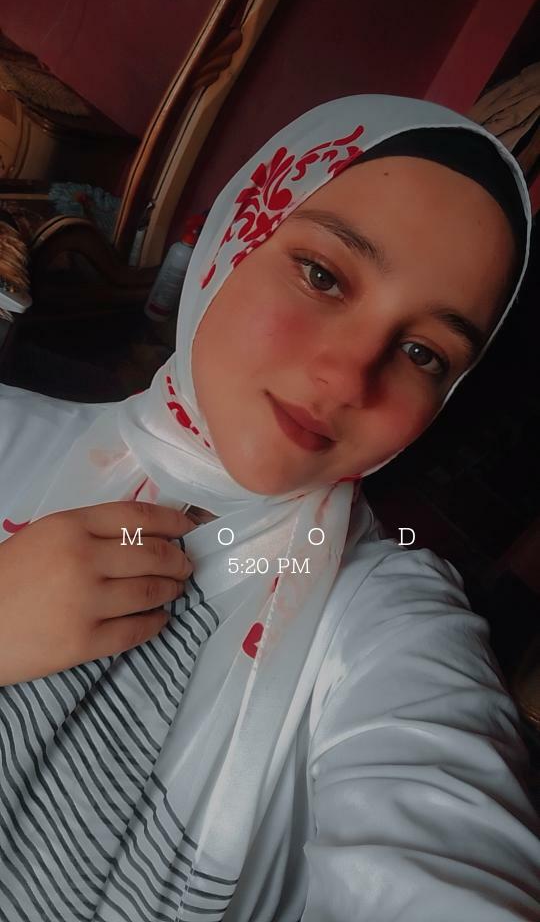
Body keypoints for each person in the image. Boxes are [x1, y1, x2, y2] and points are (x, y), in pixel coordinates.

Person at [0, 94, 539, 921]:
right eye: (323, 275)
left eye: (423, 352)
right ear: (234, 240)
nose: (349, 377)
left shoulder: (383, 619)